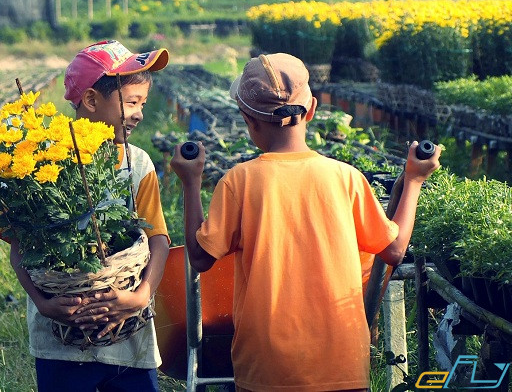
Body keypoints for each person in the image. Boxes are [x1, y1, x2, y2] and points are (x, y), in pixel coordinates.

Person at [170, 53, 441, 392]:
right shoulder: (346, 178)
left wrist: (190, 182)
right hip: (341, 358)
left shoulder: (240, 182)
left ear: (248, 120)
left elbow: (200, 258)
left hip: (265, 364)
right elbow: (394, 250)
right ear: (311, 109)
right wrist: (413, 180)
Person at [4, 40, 171, 392]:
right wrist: (43, 303)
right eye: (131, 102)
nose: (140, 113)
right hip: (61, 340)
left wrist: (141, 295)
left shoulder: (138, 163)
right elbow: (18, 245)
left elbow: (157, 238)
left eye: (144, 103)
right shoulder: (39, 161)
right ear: (92, 100)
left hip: (129, 334)